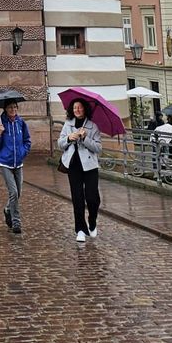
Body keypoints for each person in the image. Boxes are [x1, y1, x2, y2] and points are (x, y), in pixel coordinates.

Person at [58, 96, 102, 242]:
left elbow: (98, 148)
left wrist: (85, 139)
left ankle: (92, 221)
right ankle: (80, 230)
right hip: (74, 165)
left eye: (80, 107)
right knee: (77, 198)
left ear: (84, 109)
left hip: (89, 166)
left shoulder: (92, 126)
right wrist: (69, 138)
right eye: (75, 107)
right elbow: (60, 144)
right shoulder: (68, 124)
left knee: (92, 197)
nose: (77, 110)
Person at [0, 101, 31, 235]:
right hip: (5, 162)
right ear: (5, 109)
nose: (13, 109)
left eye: (14, 107)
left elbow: (27, 140)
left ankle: (8, 209)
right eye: (10, 107)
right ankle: (16, 221)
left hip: (18, 162)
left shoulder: (21, 123)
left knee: (18, 192)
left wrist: (23, 151)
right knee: (13, 192)